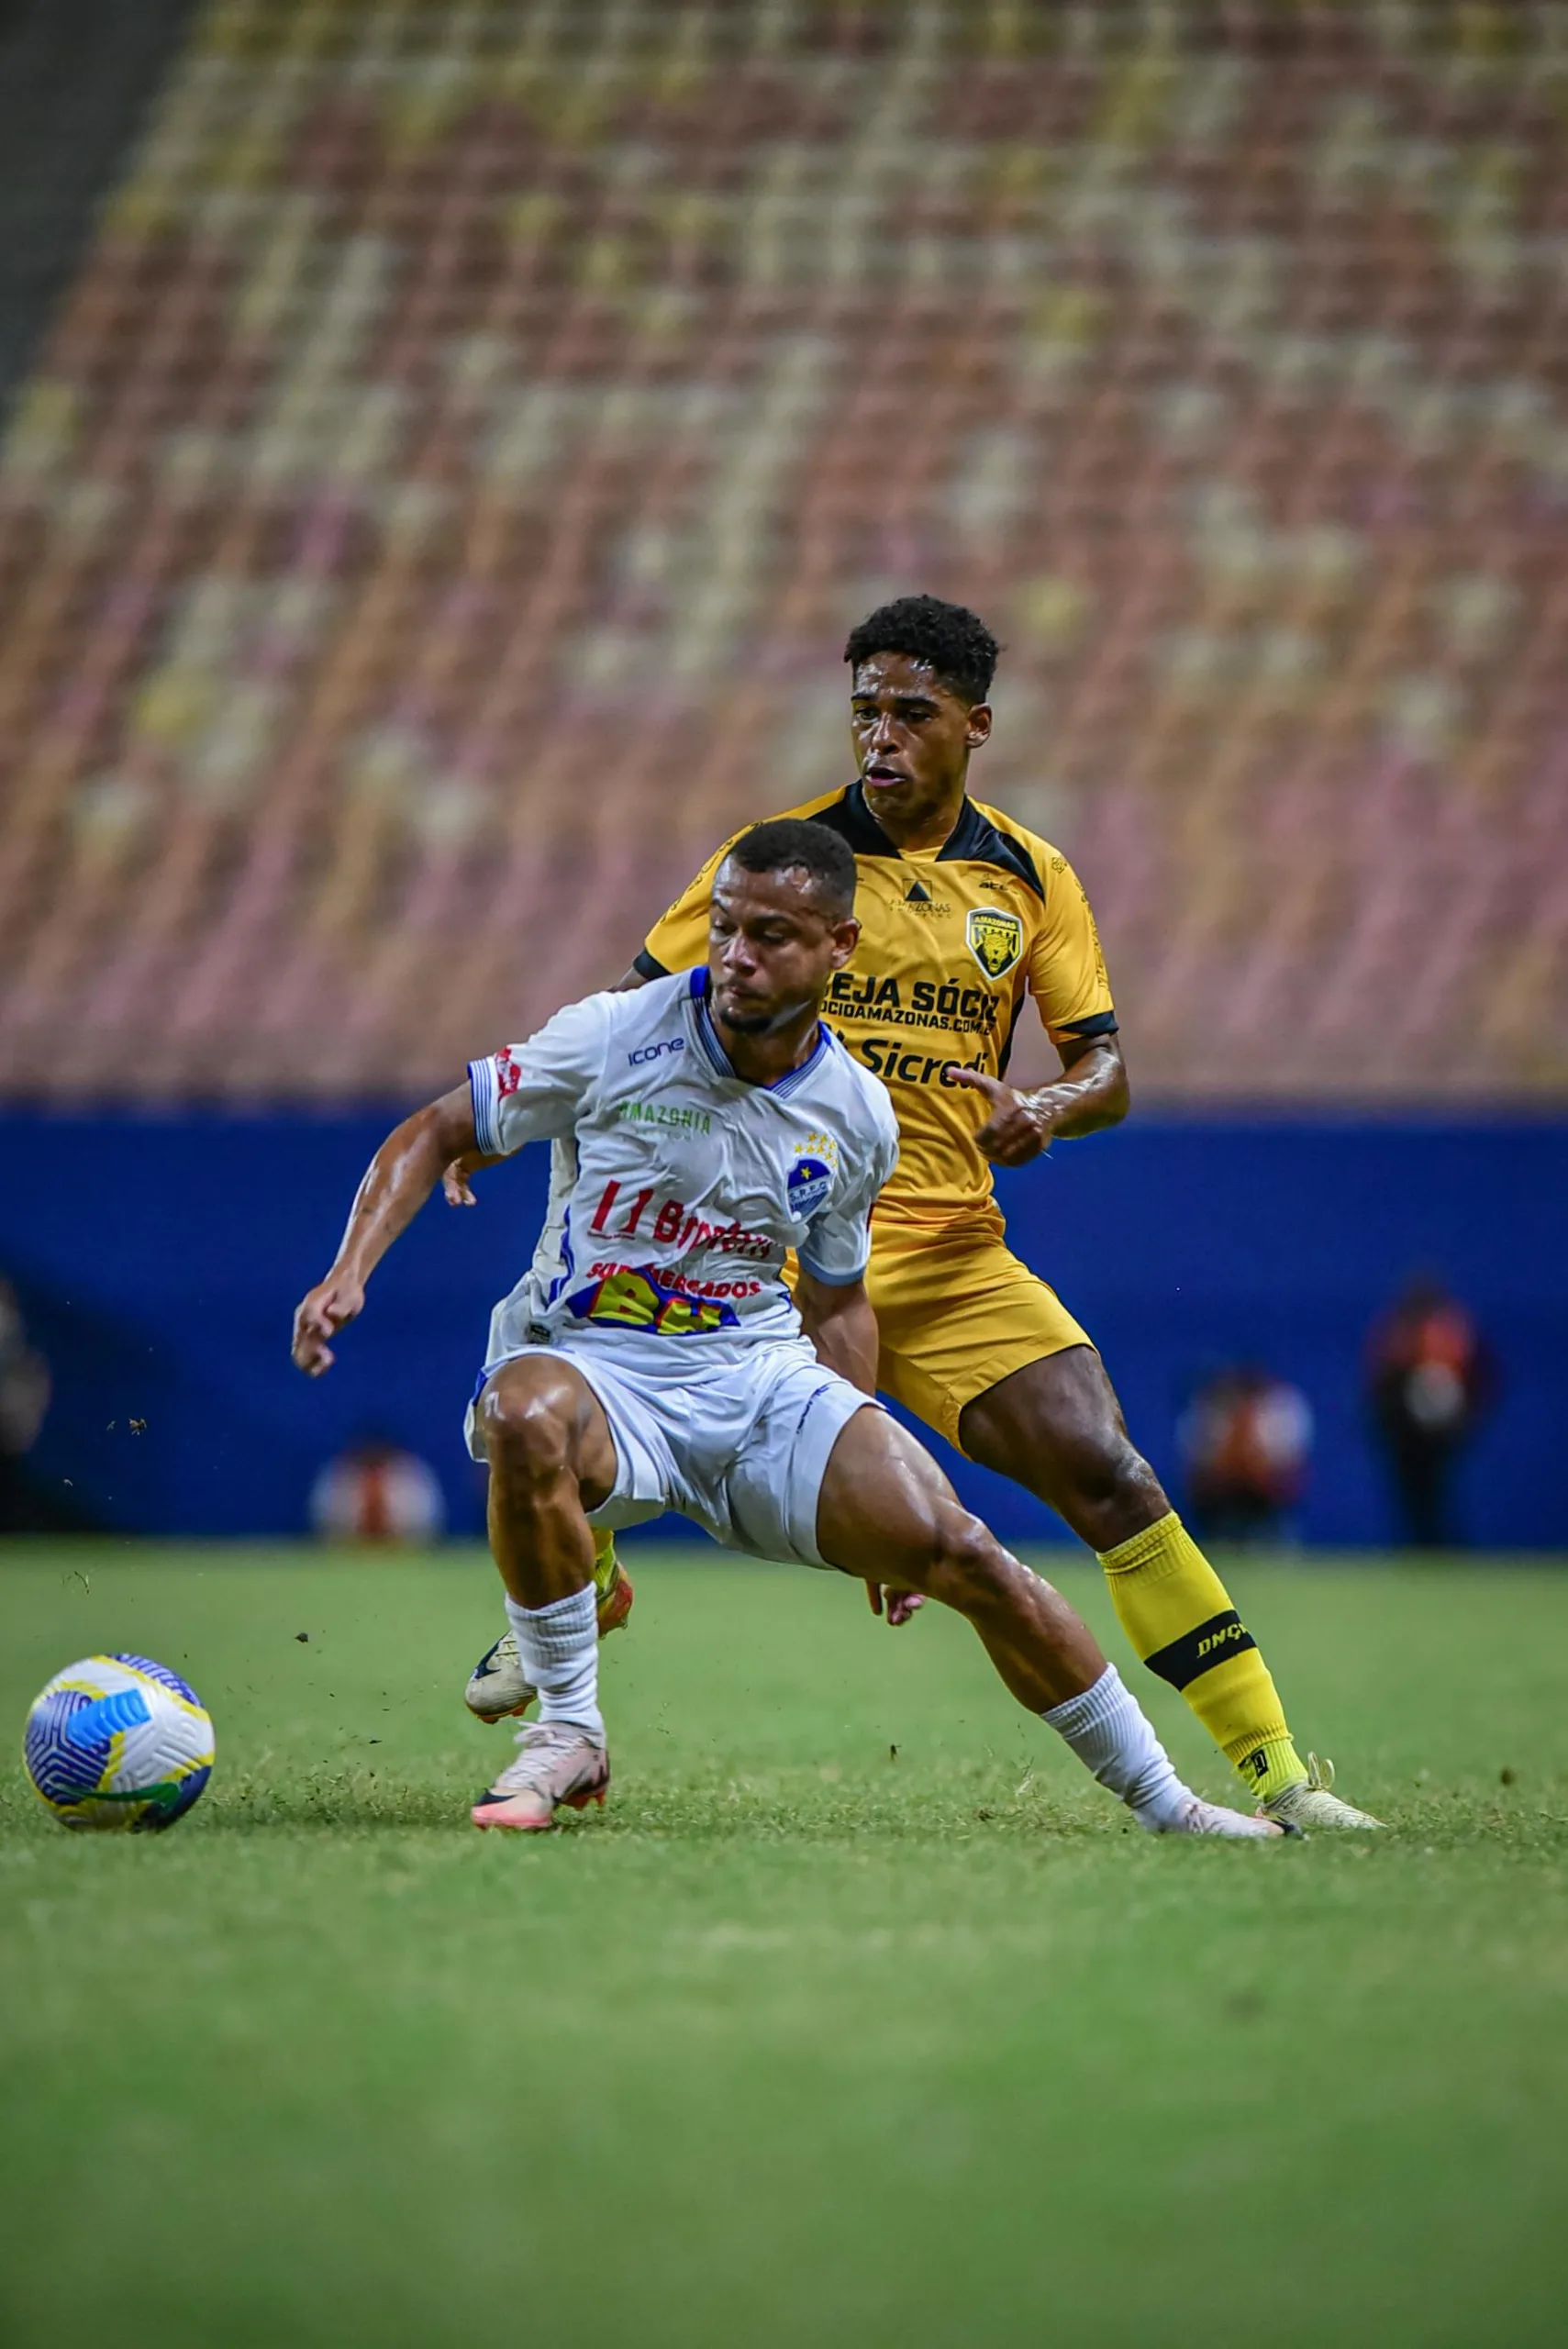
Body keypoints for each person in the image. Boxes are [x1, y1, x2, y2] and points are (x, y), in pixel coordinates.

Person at [452, 598, 1378, 1831]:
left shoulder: (1030, 877)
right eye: (863, 713)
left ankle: (1277, 1776)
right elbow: (630, 1026)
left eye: (910, 713)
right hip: (770, 1263)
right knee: (595, 1410)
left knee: (1109, 1474)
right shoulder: (779, 865)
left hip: (950, 1256)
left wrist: (1045, 1110)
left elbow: (1108, 1068)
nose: (879, 737)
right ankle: (585, 1584)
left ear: (975, 725)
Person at [292, 820, 1282, 1840]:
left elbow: (841, 1298)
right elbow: (433, 1132)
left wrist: (865, 1464)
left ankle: (1170, 1804)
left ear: (838, 949)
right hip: (600, 1373)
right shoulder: (610, 1034)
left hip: (756, 1379)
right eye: (724, 928)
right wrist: (345, 1276)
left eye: (769, 934)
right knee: (519, 1410)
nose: (735, 955)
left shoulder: (853, 1110)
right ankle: (567, 1733)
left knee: (964, 1551)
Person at [1367, 1275, 1491, 1549]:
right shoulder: (1398, 1335)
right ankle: (1420, 1548)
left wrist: (1464, 1419)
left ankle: (1442, 1548)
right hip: (1405, 1435)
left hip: (1440, 1436)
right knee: (1413, 1498)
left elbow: (1481, 1376)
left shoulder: (1451, 1332)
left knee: (1435, 1496)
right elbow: (1381, 1384)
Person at [1180, 1365, 1313, 1547]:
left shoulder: (1280, 1409)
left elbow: (1288, 1462)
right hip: (1221, 1493)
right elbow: (1199, 1462)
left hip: (1265, 1491)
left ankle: (1272, 1537)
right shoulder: (1211, 1411)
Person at [308, 1435, 447, 1545]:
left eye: (378, 1465)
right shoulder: (338, 1479)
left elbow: (425, 1529)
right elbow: (324, 1527)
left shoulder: (412, 1482)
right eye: (369, 1464)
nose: (374, 1472)